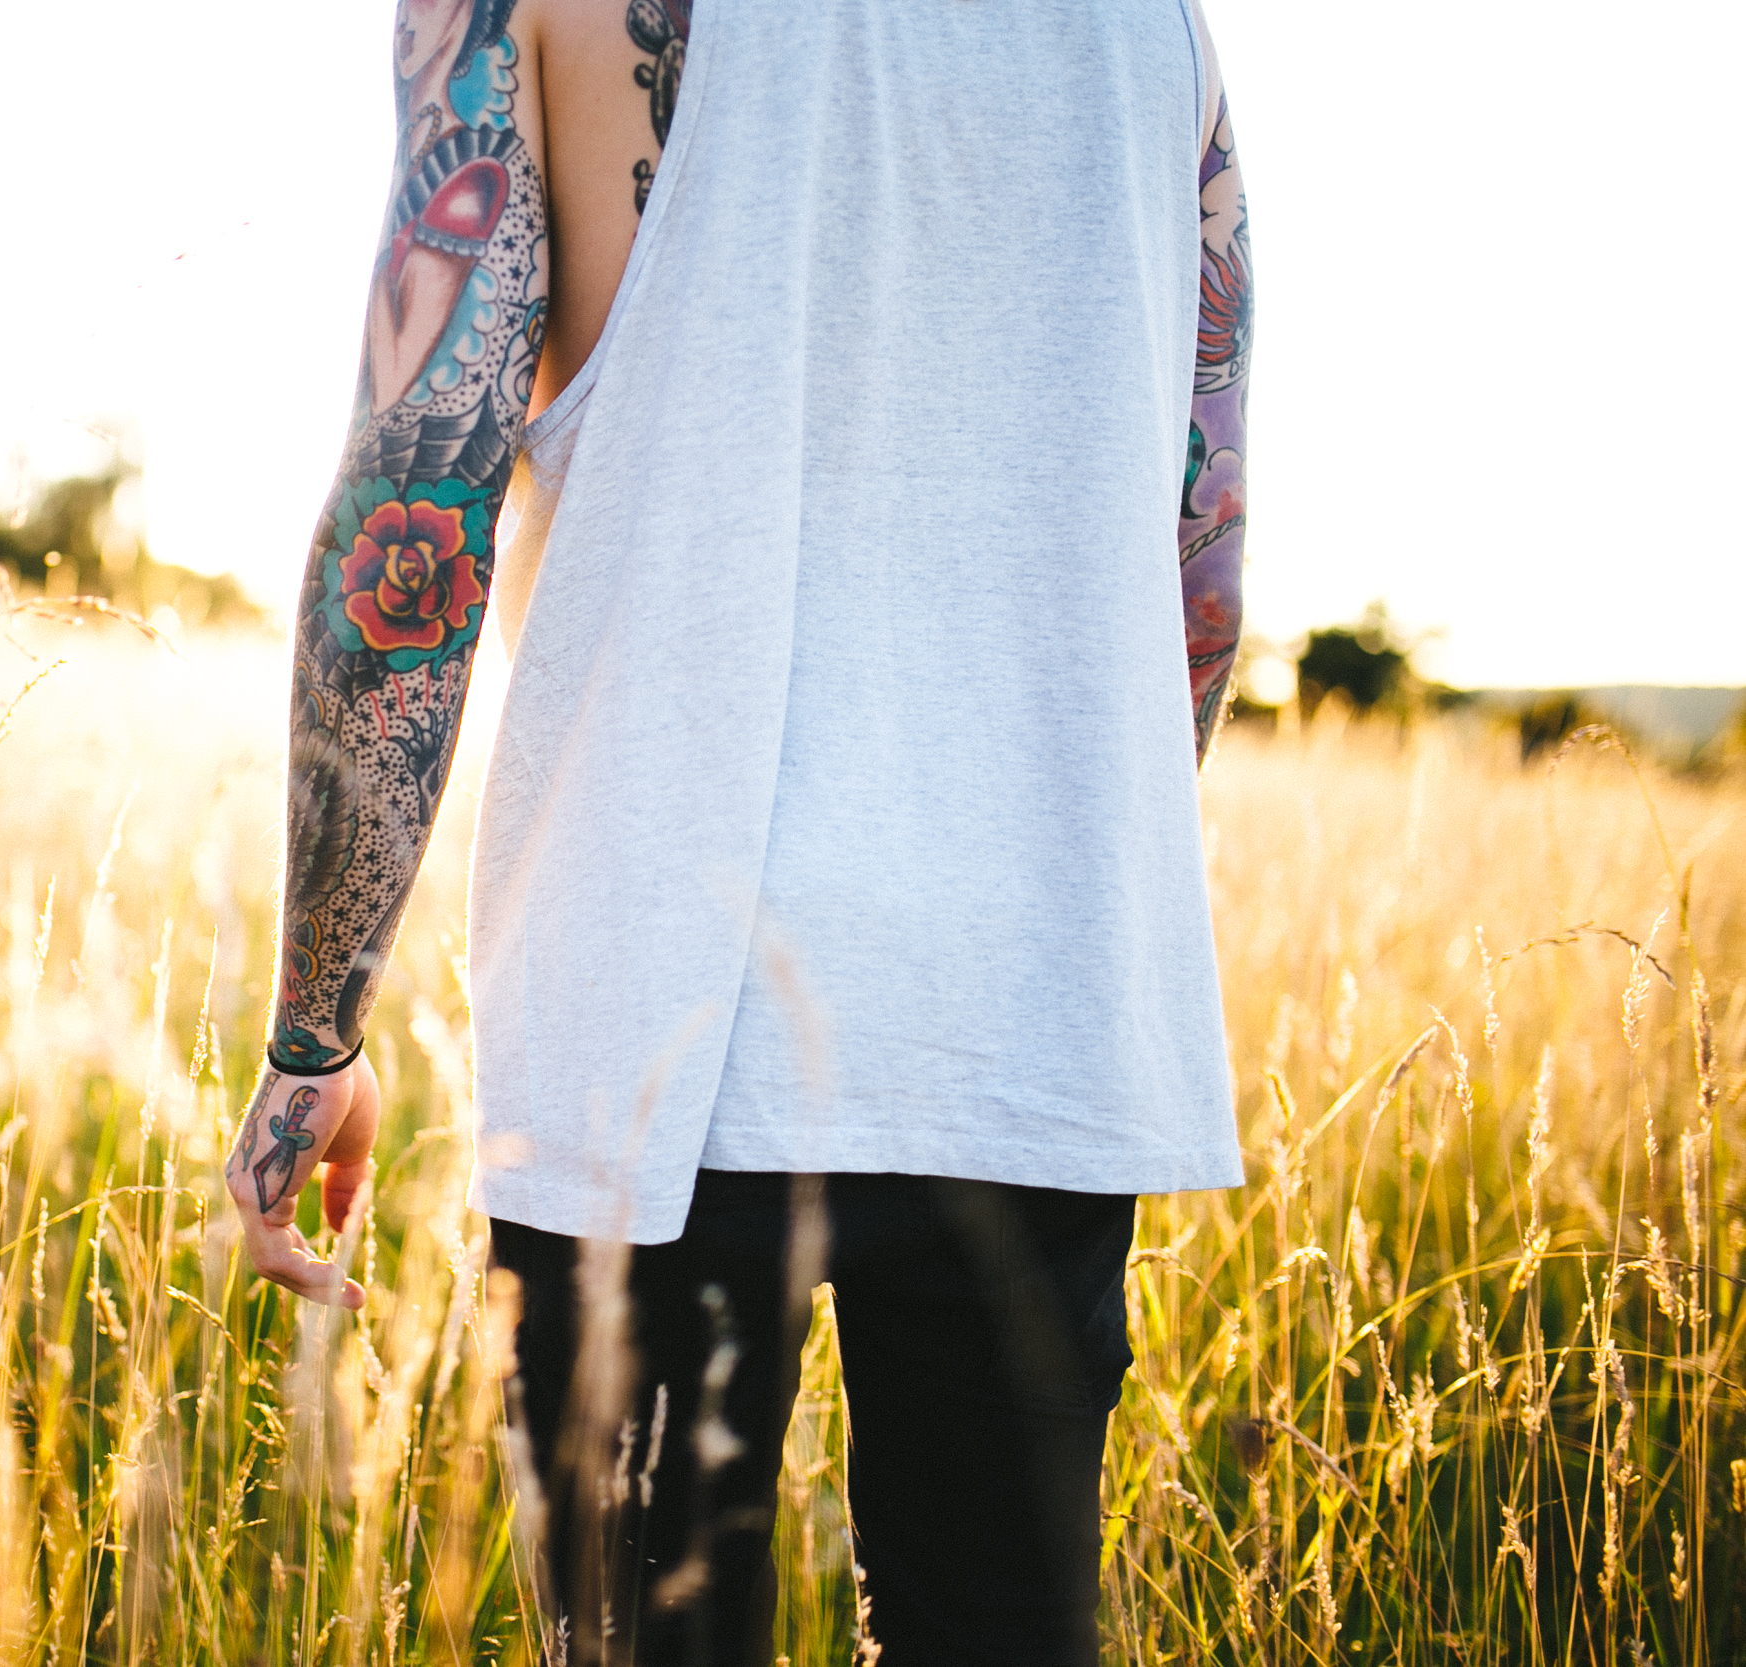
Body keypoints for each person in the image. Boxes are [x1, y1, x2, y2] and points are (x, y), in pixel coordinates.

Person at [224, 0, 1252, 1662]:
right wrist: (1027, 858)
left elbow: (418, 483)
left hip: (653, 1021)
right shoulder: (1162, 32)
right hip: (1035, 1027)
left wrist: (315, 1027)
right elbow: (1200, 563)